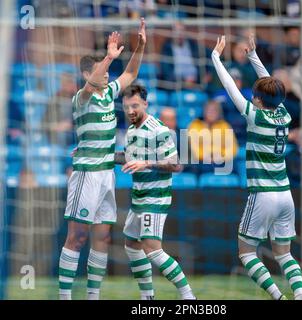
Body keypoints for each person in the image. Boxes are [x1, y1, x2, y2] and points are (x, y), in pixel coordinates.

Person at [58, 18, 146, 300]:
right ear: (87, 74)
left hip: (107, 174)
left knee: (104, 237)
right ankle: (65, 296)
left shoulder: (109, 93)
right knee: (77, 236)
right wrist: (108, 56)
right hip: (86, 174)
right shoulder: (80, 99)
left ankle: (93, 296)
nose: (106, 75)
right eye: (99, 71)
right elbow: (94, 81)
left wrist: (140, 47)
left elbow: (130, 74)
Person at [212, 34, 302, 300]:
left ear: (260, 100)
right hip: (286, 194)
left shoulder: (255, 116)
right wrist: (253, 57)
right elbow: (272, 86)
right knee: (284, 254)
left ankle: (280, 298)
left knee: (246, 252)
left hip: (263, 194)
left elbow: (231, 88)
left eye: (255, 95)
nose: (252, 98)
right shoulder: (284, 113)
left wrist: (215, 58)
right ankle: (300, 297)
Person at [115, 84, 196, 300]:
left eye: (135, 106)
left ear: (145, 104)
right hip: (138, 197)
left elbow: (176, 164)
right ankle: (147, 297)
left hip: (155, 197)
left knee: (152, 249)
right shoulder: (132, 131)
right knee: (132, 245)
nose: (130, 111)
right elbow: (128, 158)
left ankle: (188, 296)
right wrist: (95, 153)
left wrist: (147, 163)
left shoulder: (159, 130)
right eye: (126, 107)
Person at [188, 100, 238, 173]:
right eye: (209, 110)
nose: (212, 113)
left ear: (219, 113)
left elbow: (232, 148)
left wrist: (221, 157)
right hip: (201, 161)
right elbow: (193, 148)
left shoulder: (225, 126)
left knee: (234, 166)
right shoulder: (195, 125)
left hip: (221, 160)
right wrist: (206, 157)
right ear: (204, 111)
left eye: (215, 111)